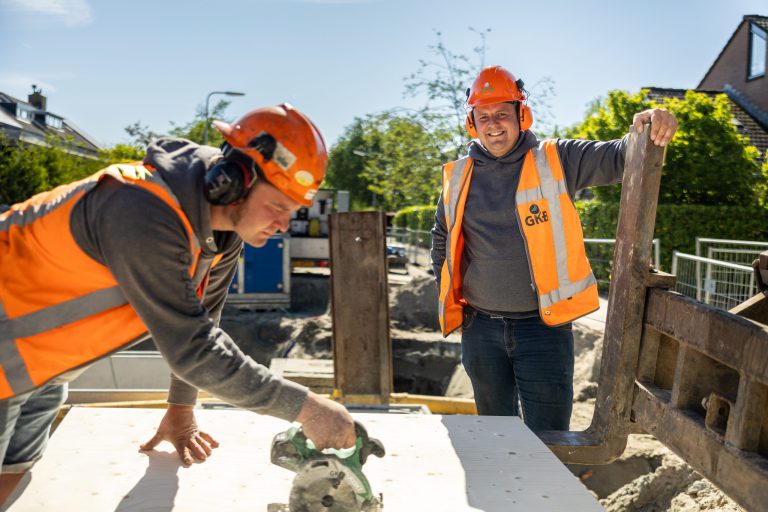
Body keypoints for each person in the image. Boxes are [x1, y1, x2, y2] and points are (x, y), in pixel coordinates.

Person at [0, 104, 356, 502]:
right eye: (276, 206)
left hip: (44, 369)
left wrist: (181, 411)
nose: (282, 226)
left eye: (292, 212)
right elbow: (193, 348)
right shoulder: (139, 208)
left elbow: (205, 321)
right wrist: (308, 408)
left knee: (15, 484)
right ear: (232, 181)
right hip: (8, 360)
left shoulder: (221, 234)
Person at [431, 66, 678, 430]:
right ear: (472, 123)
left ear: (521, 114)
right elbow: (441, 236)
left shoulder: (556, 158)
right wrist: (455, 297)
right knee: (494, 438)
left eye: (502, 114)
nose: (493, 125)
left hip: (543, 329)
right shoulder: (459, 175)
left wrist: (648, 124)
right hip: (481, 329)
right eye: (483, 117)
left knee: (549, 442)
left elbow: (619, 156)